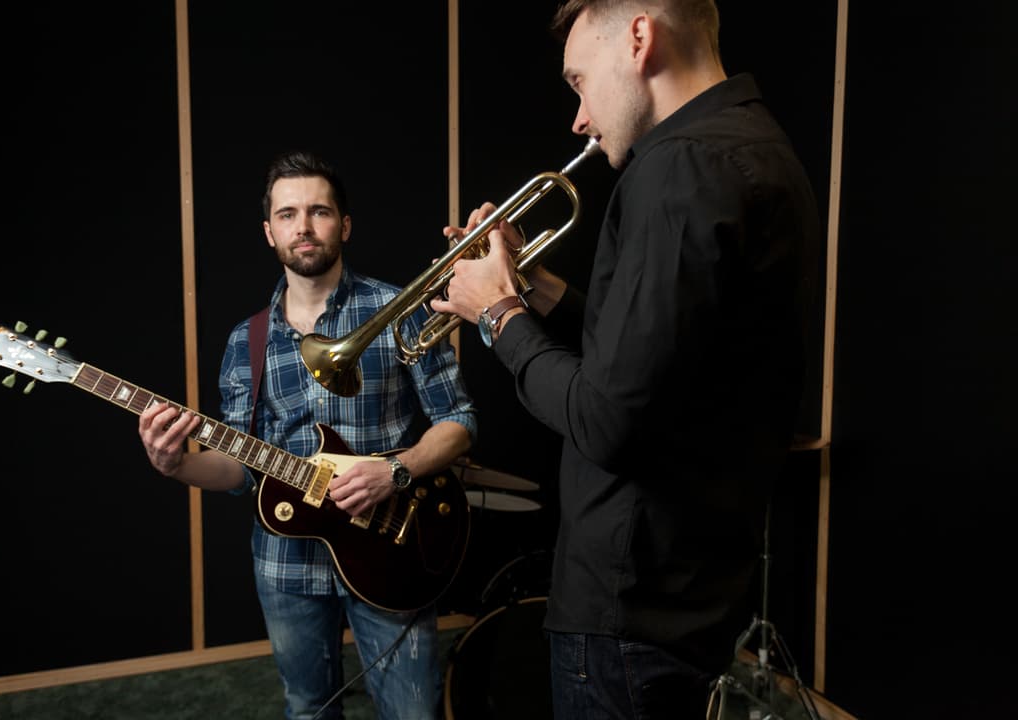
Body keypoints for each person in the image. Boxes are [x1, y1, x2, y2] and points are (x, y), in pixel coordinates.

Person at [430, 1, 821, 718]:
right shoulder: (755, 146)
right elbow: (655, 356)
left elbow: (605, 419)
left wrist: (496, 315)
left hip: (629, 603)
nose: (578, 116)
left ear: (640, 37)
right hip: (690, 589)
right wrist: (533, 287)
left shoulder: (680, 169)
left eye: (580, 82)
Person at [138, 150, 478, 720]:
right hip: (286, 563)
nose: (303, 226)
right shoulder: (245, 341)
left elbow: (460, 422)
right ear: (268, 231)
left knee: (413, 712)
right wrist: (174, 464)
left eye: (319, 211)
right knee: (308, 709)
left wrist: (394, 472)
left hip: (392, 547)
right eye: (288, 214)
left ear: (343, 225)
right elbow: (240, 469)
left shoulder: (397, 309)